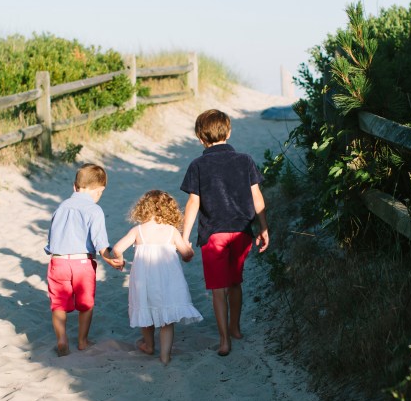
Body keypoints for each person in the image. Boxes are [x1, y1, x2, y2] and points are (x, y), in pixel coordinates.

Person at [180, 108, 269, 356]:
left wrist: (184, 238)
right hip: (242, 232)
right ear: (228, 132)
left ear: (200, 138)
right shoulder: (245, 160)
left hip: (213, 235)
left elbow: (193, 204)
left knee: (218, 289)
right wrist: (263, 227)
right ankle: (235, 328)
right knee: (235, 282)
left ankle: (223, 341)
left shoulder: (197, 165)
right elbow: (257, 198)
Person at [110, 189, 202, 365]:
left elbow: (117, 248)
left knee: (146, 311)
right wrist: (188, 249)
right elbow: (187, 255)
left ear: (143, 208)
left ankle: (149, 345)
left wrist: (120, 260)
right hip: (168, 281)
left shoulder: (138, 231)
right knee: (167, 320)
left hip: (144, 281)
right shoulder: (172, 231)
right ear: (168, 209)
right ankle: (165, 356)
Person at [45, 163, 123, 356]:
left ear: (75, 186)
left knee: (58, 304)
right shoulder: (94, 210)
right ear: (100, 190)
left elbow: (51, 238)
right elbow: (100, 242)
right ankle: (82, 341)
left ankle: (62, 340)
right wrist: (109, 258)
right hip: (82, 263)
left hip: (59, 262)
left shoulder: (61, 207)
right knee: (86, 304)